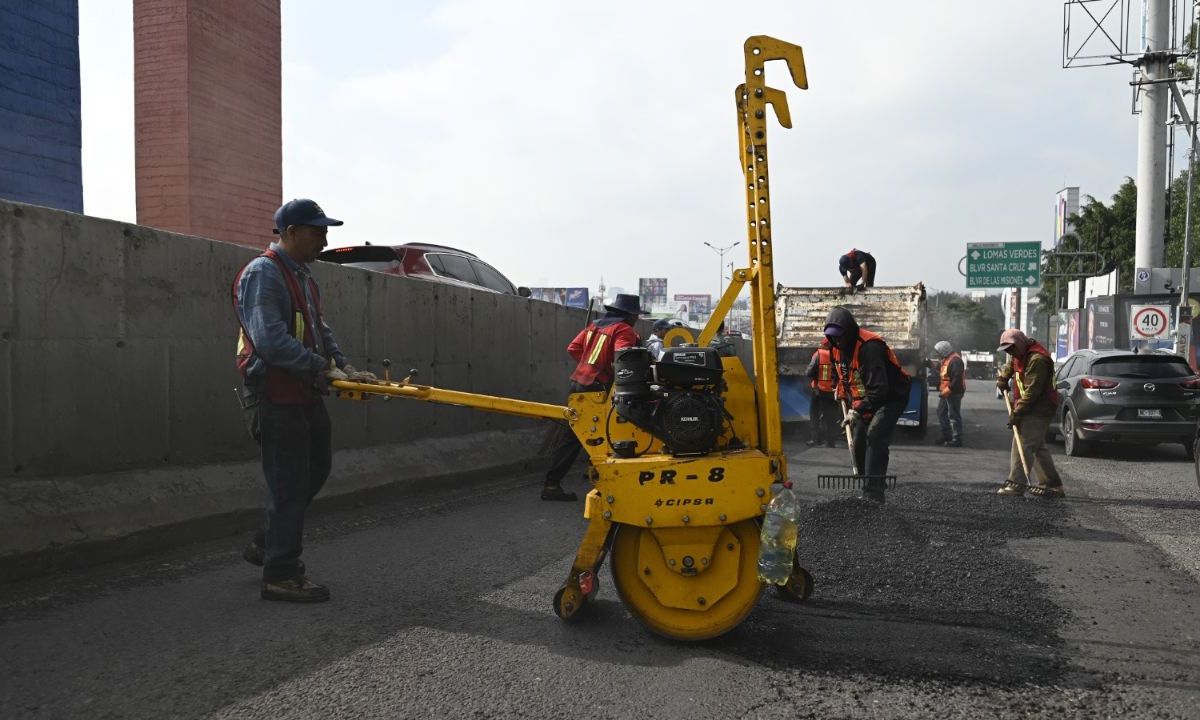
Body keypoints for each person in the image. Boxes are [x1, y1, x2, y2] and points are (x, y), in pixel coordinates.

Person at [233, 198, 347, 603]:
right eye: (318, 232)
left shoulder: (302, 276)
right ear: (291, 233)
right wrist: (322, 367)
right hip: (276, 394)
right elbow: (270, 341)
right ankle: (280, 573)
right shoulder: (264, 274)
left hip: (303, 390)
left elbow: (319, 328)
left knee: (315, 469)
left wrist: (343, 368)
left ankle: (267, 543)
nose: (325, 239)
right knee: (289, 482)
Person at [543, 293, 643, 501]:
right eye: (636, 315)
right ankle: (604, 483)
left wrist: (589, 363)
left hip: (578, 383)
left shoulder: (593, 326)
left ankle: (555, 483)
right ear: (629, 315)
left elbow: (573, 348)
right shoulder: (624, 329)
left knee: (574, 436)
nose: (637, 319)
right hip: (596, 388)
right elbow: (623, 356)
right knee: (608, 432)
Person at [824, 306, 911, 503]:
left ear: (849, 331)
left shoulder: (869, 348)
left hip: (891, 395)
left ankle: (873, 494)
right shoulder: (835, 349)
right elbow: (839, 373)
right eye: (832, 337)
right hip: (866, 398)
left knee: (876, 434)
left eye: (840, 336)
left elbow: (880, 391)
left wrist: (857, 411)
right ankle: (871, 479)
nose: (837, 341)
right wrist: (838, 388)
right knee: (858, 439)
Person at [995, 329, 1065, 498]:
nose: (1010, 352)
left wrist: (1017, 413)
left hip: (1040, 407)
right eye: (1006, 350)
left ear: (1019, 343)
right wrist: (1003, 378)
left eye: (1011, 348)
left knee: (1024, 443)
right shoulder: (1020, 352)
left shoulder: (1037, 359)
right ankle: (1052, 485)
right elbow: (1011, 365)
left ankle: (1016, 484)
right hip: (1031, 405)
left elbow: (1032, 391)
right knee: (1038, 446)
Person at [805, 337, 839, 447]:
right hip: (833, 391)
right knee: (831, 417)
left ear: (823, 344)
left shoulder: (818, 354)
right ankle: (830, 442)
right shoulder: (838, 355)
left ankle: (816, 440)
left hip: (819, 391)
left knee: (815, 415)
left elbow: (809, 372)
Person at [934, 340, 965, 447]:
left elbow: (956, 381)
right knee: (941, 412)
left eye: (938, 352)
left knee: (954, 415)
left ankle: (957, 439)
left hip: (953, 392)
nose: (937, 354)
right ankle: (946, 435)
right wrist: (929, 363)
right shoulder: (947, 359)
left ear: (944, 351)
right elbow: (942, 370)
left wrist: (946, 392)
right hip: (947, 392)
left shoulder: (956, 361)